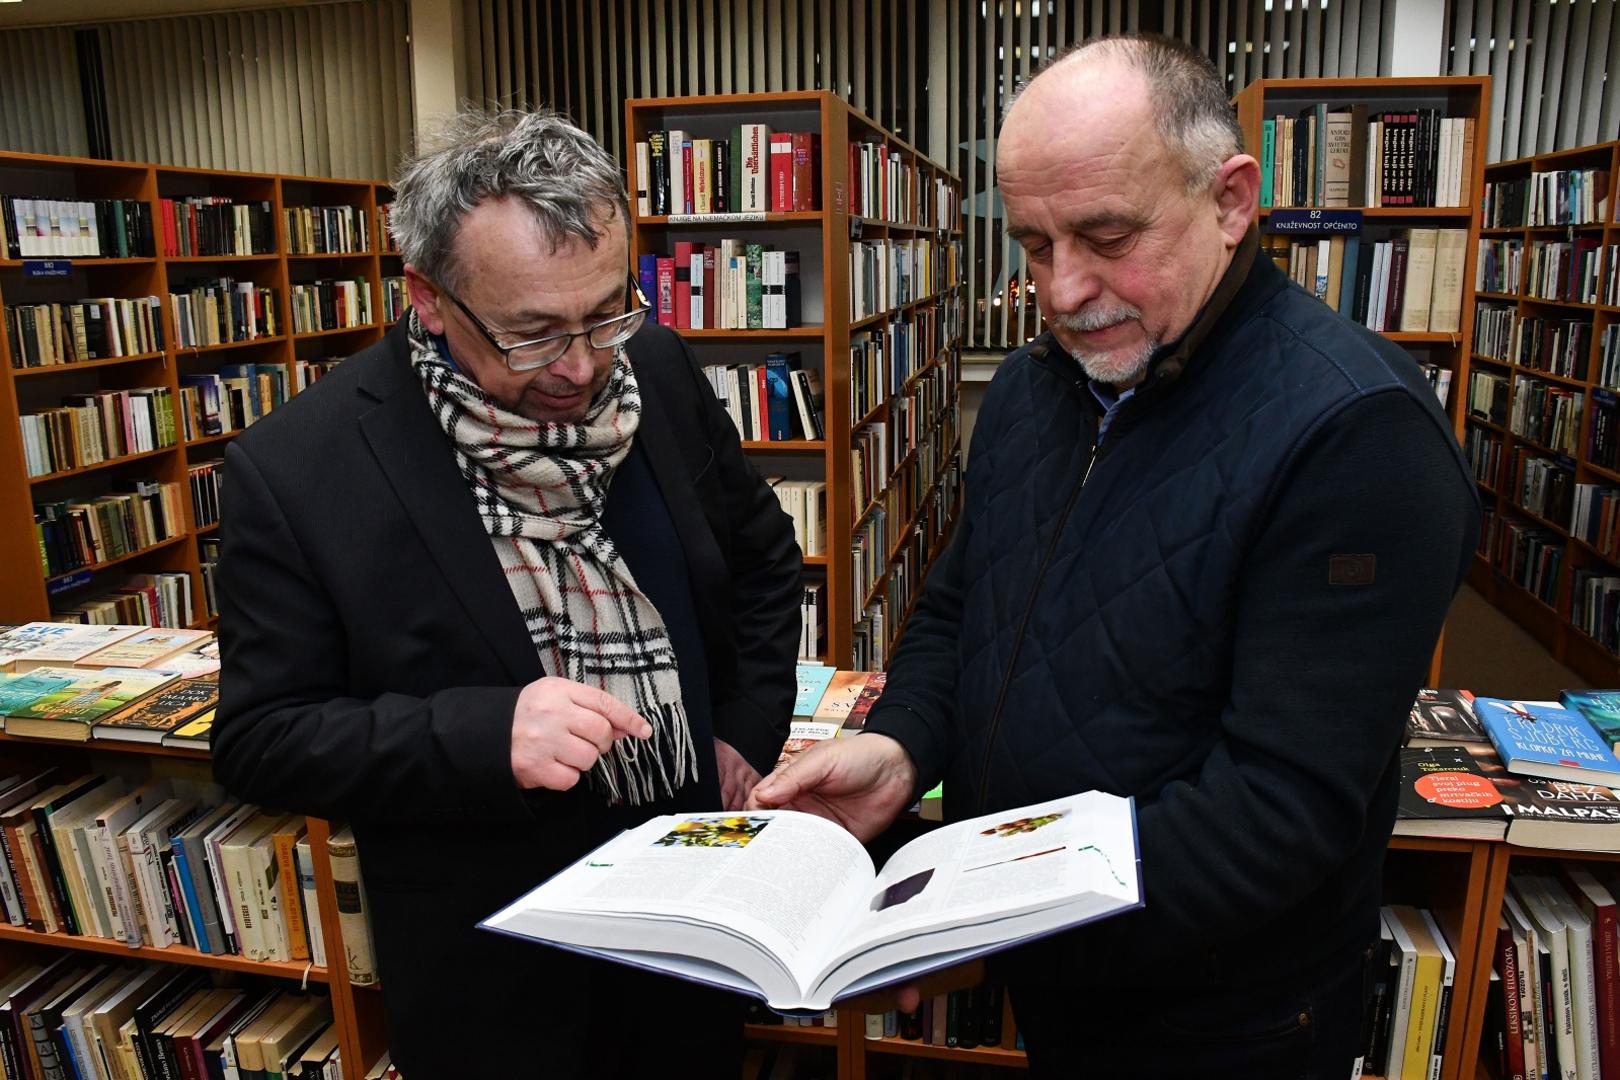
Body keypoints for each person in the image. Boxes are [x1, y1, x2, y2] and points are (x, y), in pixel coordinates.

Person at [750, 34, 1481, 1078]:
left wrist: (982, 913)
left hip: (1222, 1020)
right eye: (1034, 245)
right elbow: (963, 610)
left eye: (1106, 235)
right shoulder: (1034, 387)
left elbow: (1278, 810)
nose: (1061, 289)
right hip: (1064, 971)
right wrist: (905, 744)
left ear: (1230, 200)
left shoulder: (1358, 434)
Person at [211, 109, 802, 1077]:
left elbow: (765, 561)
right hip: (492, 981)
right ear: (429, 297)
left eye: (606, 311)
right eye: (532, 334)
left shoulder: (654, 370)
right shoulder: (300, 468)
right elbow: (261, 738)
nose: (581, 365)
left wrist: (743, 728)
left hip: (687, 934)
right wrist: (486, 735)